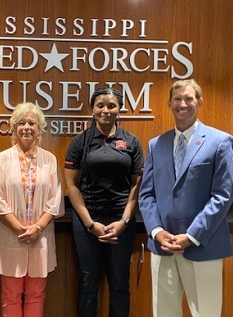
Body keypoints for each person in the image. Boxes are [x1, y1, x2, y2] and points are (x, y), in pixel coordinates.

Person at [138, 79, 233, 317]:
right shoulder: (156, 144)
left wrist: (191, 236)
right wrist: (156, 231)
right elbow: (146, 195)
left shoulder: (220, 141)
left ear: (199, 102)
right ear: (169, 104)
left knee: (206, 313)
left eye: (189, 98)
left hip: (203, 244)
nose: (183, 103)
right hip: (163, 246)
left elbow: (222, 196)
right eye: (177, 99)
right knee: (163, 313)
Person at [64, 87, 144, 317]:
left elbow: (137, 185)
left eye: (111, 106)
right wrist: (90, 224)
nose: (106, 111)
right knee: (88, 284)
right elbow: (72, 186)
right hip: (87, 221)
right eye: (100, 106)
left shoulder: (131, 141)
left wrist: (124, 220)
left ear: (120, 109)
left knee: (120, 284)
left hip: (121, 222)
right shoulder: (80, 142)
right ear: (92, 109)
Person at [0, 102, 65, 317]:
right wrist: (19, 228)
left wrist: (38, 227)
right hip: (10, 236)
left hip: (41, 237)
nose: (27, 127)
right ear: (14, 127)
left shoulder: (50, 159)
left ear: (40, 129)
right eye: (22, 123)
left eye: (32, 123)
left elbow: (54, 200)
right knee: (10, 294)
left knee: (37, 294)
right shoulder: (2, 159)